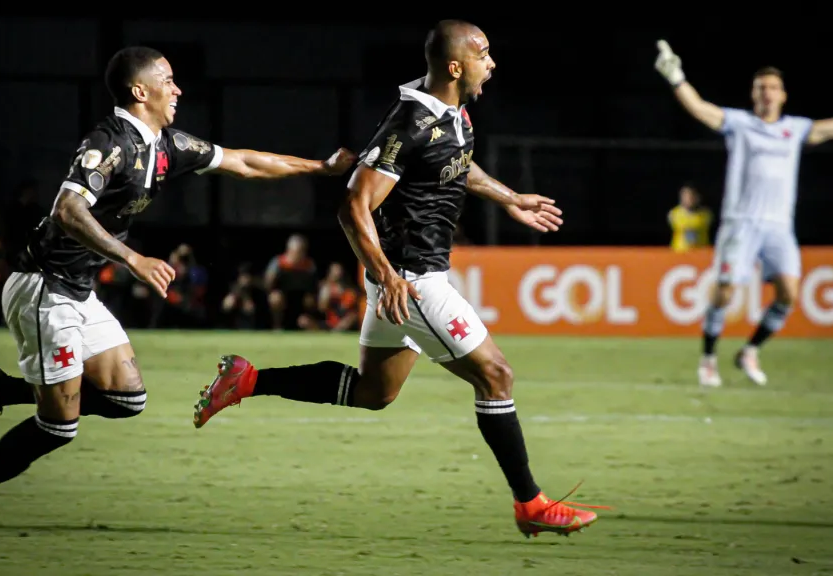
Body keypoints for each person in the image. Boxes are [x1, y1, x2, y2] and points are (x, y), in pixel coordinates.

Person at [193, 20, 608, 538]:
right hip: (412, 281)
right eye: (484, 54)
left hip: (403, 278)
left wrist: (512, 199)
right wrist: (389, 276)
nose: (493, 62)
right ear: (455, 67)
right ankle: (532, 503)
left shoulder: (451, 114)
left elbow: (457, 163)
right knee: (496, 376)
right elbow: (353, 206)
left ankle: (249, 380)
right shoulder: (408, 124)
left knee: (373, 392)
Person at [0, 45, 357, 535]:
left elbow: (242, 162)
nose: (177, 89)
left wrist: (320, 168)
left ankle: (2, 388)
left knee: (125, 399)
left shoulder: (165, 145)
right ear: (141, 91)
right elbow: (68, 210)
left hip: (76, 292)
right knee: (59, 425)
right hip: (44, 289)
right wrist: (131, 258)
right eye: (168, 80)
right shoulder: (109, 142)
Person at [653, 40, 833, 388]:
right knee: (726, 290)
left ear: (783, 95)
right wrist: (676, 78)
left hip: (778, 227)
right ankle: (708, 358)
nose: (767, 92)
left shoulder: (796, 130)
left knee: (789, 294)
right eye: (761, 87)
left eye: (773, 87)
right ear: (753, 94)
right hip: (741, 223)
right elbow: (701, 109)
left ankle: (750, 350)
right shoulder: (740, 123)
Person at [667, 182, 712, 253]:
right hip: (679, 253)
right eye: (685, 195)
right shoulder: (674, 214)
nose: (688, 198)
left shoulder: (706, 214)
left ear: (697, 197)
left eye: (691, 195)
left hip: (701, 253)